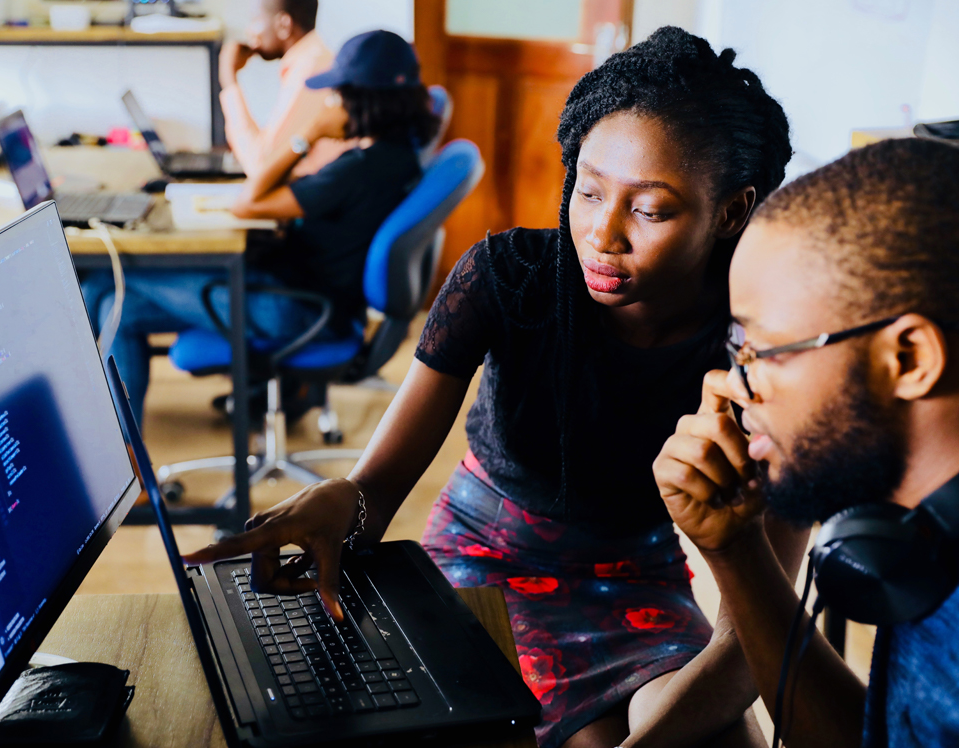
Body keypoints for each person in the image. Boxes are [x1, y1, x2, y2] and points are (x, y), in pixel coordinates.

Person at [187, 27, 802, 748]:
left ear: (731, 211)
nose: (602, 233)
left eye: (649, 209)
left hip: (635, 584)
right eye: (589, 189)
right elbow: (377, 488)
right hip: (481, 563)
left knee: (723, 740)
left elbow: (753, 642)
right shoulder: (507, 279)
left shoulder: (766, 352)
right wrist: (342, 503)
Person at [653, 138, 959, 748]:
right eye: (734, 347)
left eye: (761, 351)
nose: (729, 384)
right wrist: (736, 551)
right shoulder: (916, 537)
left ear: (908, 358)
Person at [83, 30, 438, 428]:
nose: (329, 102)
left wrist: (308, 135)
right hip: (310, 297)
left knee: (102, 287)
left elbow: (248, 202)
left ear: (362, 100)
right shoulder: (399, 157)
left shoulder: (358, 170)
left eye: (336, 93)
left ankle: (121, 455)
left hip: (295, 308)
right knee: (116, 304)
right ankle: (128, 456)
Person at [220, 0, 352, 177]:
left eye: (255, 20)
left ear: (284, 25)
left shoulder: (309, 72)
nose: (249, 31)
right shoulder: (311, 60)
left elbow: (261, 167)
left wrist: (229, 80)